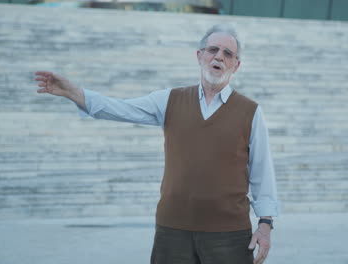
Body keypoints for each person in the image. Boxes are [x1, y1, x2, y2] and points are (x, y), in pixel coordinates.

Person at [35, 24, 279, 264]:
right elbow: (120, 108)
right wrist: (73, 92)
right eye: (213, 49)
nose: (219, 57)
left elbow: (262, 172)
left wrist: (265, 225)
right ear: (199, 56)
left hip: (229, 235)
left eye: (228, 53)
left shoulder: (251, 112)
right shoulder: (170, 100)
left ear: (236, 65)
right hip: (173, 231)